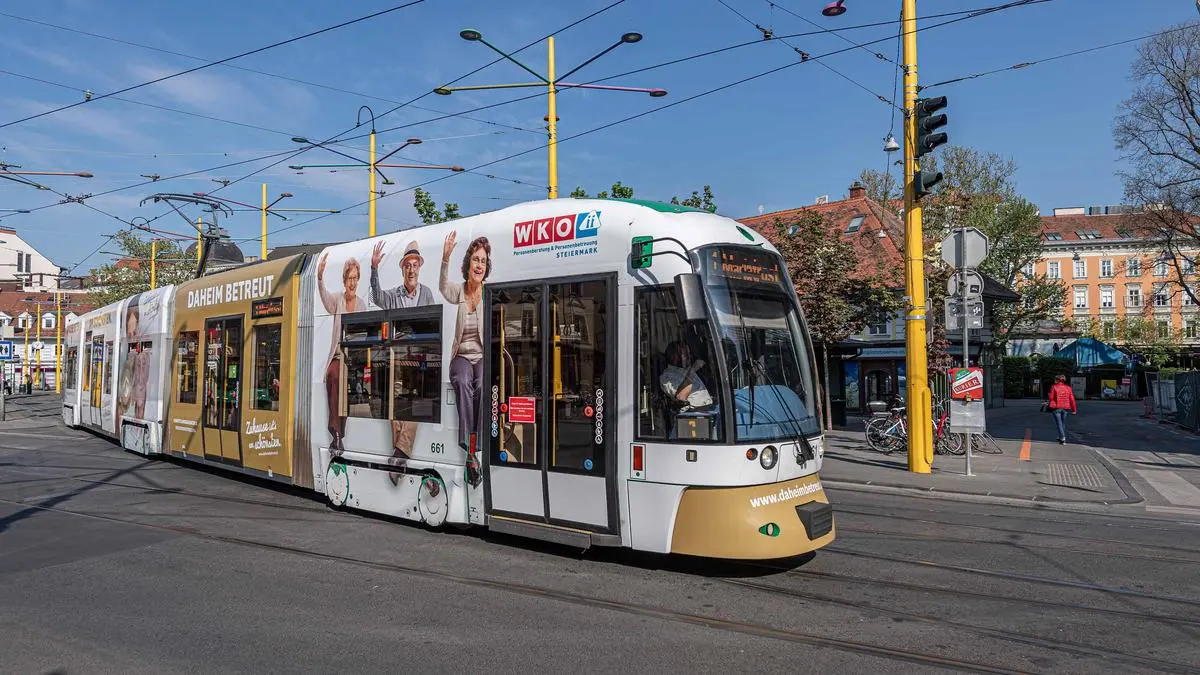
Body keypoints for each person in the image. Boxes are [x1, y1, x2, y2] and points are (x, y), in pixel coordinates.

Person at [440, 230, 490, 449]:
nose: (479, 265)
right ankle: (466, 439)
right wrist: (445, 257)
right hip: (460, 355)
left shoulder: (489, 294)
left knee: (482, 384)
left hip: (480, 356)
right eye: (476, 260)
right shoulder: (458, 291)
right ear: (468, 264)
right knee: (462, 381)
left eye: (484, 262)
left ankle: (477, 439)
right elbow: (442, 287)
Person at [317, 253, 367, 452]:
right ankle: (336, 433)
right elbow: (325, 299)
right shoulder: (337, 300)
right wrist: (320, 277)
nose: (352, 282)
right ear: (344, 280)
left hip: (354, 359)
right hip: (338, 356)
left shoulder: (362, 305)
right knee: (333, 375)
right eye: (349, 278)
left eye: (355, 278)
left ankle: (338, 433)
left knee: (345, 380)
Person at [369, 239, 434, 309]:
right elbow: (378, 299)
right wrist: (374, 268)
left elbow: (434, 316)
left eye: (415, 265)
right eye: (408, 266)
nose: (411, 270)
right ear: (403, 271)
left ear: (419, 269)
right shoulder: (394, 296)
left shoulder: (426, 293)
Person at [660, 341, 714, 409]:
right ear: (675, 357)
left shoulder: (686, 369)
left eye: (689, 353)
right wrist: (692, 370)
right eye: (686, 354)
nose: (689, 356)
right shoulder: (667, 377)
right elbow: (681, 397)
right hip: (695, 413)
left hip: (709, 407)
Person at [1047, 374, 1077, 444]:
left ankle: (1063, 438)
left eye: (1055, 379)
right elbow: (1072, 399)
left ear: (1057, 380)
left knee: (1059, 423)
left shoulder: (1054, 387)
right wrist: (1074, 410)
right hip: (1066, 408)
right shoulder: (1068, 388)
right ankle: (1061, 437)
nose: (1054, 380)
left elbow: (1051, 398)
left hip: (1056, 407)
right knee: (1063, 423)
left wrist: (1049, 394)